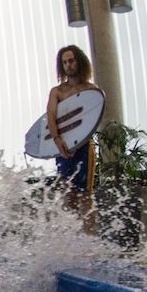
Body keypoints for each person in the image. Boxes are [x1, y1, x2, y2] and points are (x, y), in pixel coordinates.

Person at [48, 45, 99, 207]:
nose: (68, 65)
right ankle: (72, 232)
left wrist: (78, 141)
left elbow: (92, 119)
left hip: (84, 147)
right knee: (68, 195)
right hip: (62, 148)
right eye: (64, 62)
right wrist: (57, 139)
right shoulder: (57, 91)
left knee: (86, 196)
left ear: (79, 62)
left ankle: (90, 233)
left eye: (71, 61)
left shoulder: (91, 89)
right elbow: (51, 116)